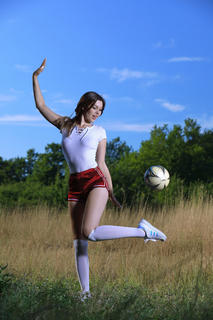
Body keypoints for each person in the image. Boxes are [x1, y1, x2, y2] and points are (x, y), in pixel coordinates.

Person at [32, 58, 167, 297]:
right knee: (79, 241)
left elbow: (102, 163)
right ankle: (85, 294)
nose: (97, 113)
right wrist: (35, 77)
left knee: (90, 232)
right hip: (74, 184)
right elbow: (41, 106)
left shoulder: (100, 132)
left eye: (101, 110)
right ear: (84, 105)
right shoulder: (65, 124)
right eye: (95, 108)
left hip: (95, 181)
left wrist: (111, 191)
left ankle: (144, 231)